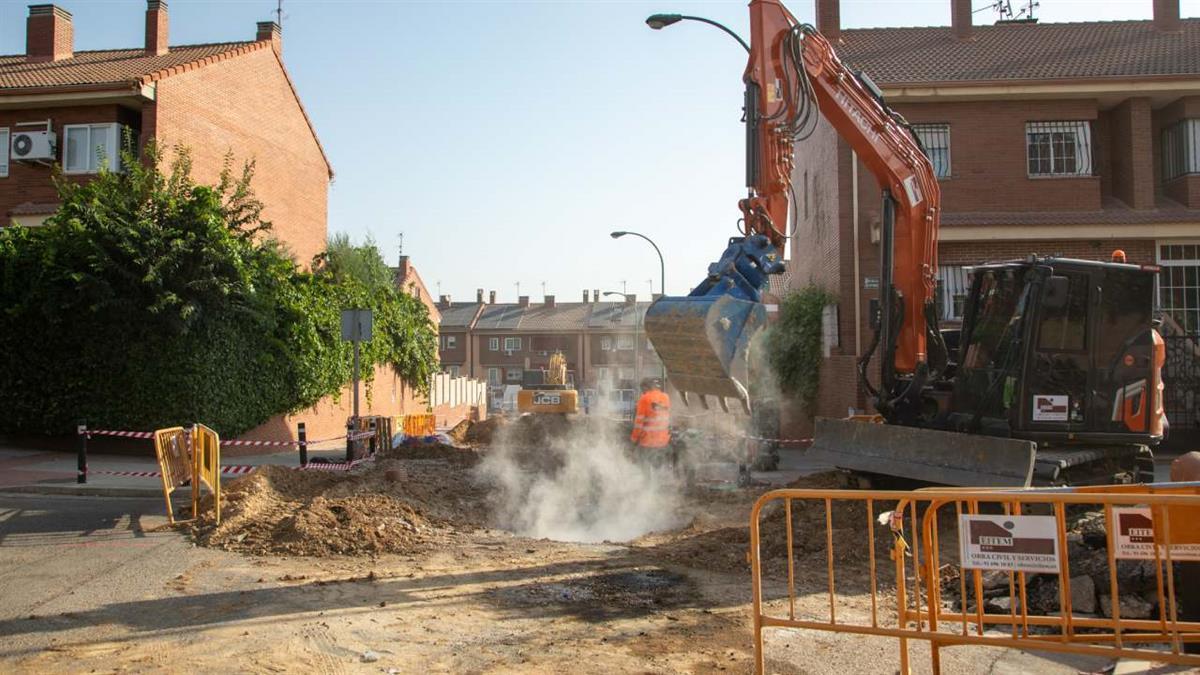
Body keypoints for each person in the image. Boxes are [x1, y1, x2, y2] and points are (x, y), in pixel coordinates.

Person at [631, 378, 671, 457]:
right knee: (660, 468)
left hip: (648, 442)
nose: (642, 392)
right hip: (663, 441)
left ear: (645, 387)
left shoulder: (645, 398)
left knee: (644, 467)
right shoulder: (665, 397)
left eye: (642, 389)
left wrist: (634, 439)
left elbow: (639, 423)